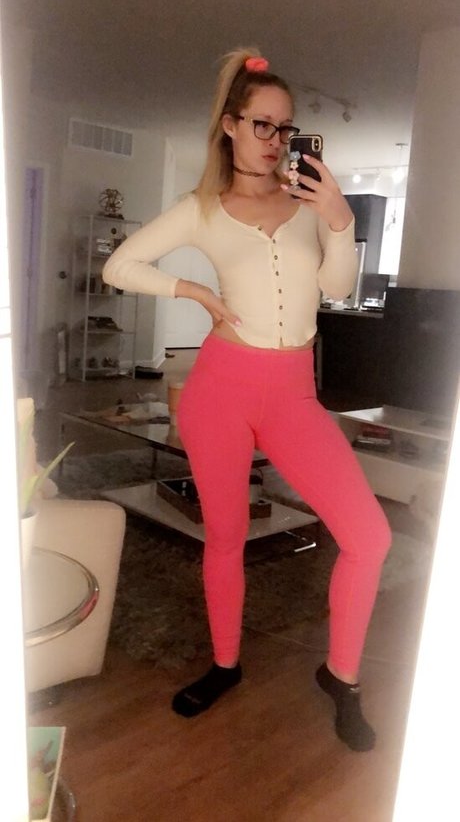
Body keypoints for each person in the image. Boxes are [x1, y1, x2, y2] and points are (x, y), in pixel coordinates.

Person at [102, 47, 392, 752]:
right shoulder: (201, 210)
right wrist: (193, 290)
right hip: (222, 389)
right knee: (227, 535)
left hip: (294, 394)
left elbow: (335, 287)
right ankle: (225, 663)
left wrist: (339, 218)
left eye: (285, 128)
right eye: (262, 125)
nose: (275, 140)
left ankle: (342, 676)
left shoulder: (308, 207)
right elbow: (119, 265)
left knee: (370, 537)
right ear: (230, 125)